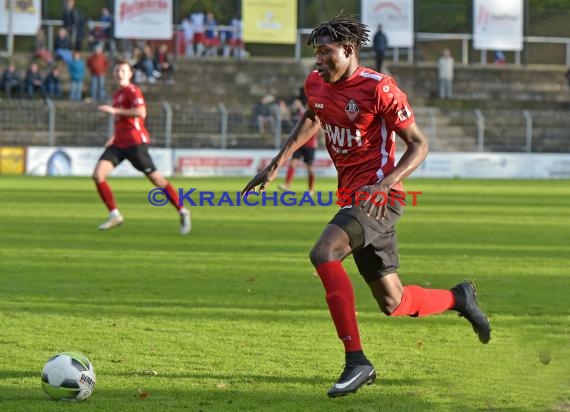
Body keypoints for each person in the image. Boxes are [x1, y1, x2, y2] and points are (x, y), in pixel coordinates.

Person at [242, 14, 491, 398]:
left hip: (379, 198)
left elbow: (419, 144)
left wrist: (385, 183)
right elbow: (314, 115)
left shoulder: (380, 89)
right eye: (316, 52)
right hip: (354, 200)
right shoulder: (316, 83)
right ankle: (459, 297)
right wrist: (278, 161)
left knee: (324, 253)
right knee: (393, 301)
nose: (318, 61)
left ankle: (357, 361)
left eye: (326, 52)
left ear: (349, 50)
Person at [93, 59, 191, 235]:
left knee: (158, 181)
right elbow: (123, 122)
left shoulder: (132, 91)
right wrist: (113, 137)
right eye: (117, 70)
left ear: (130, 74)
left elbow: (141, 112)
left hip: (135, 143)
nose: (119, 73)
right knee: (98, 175)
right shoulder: (117, 95)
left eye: (123, 70)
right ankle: (115, 215)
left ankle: (182, 210)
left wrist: (116, 111)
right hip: (119, 144)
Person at [278, 98, 318, 194]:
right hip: (299, 143)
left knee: (310, 168)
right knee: (293, 163)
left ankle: (311, 189)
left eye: (297, 102)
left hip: (310, 145)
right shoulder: (300, 113)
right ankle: (287, 185)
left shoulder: (312, 114)